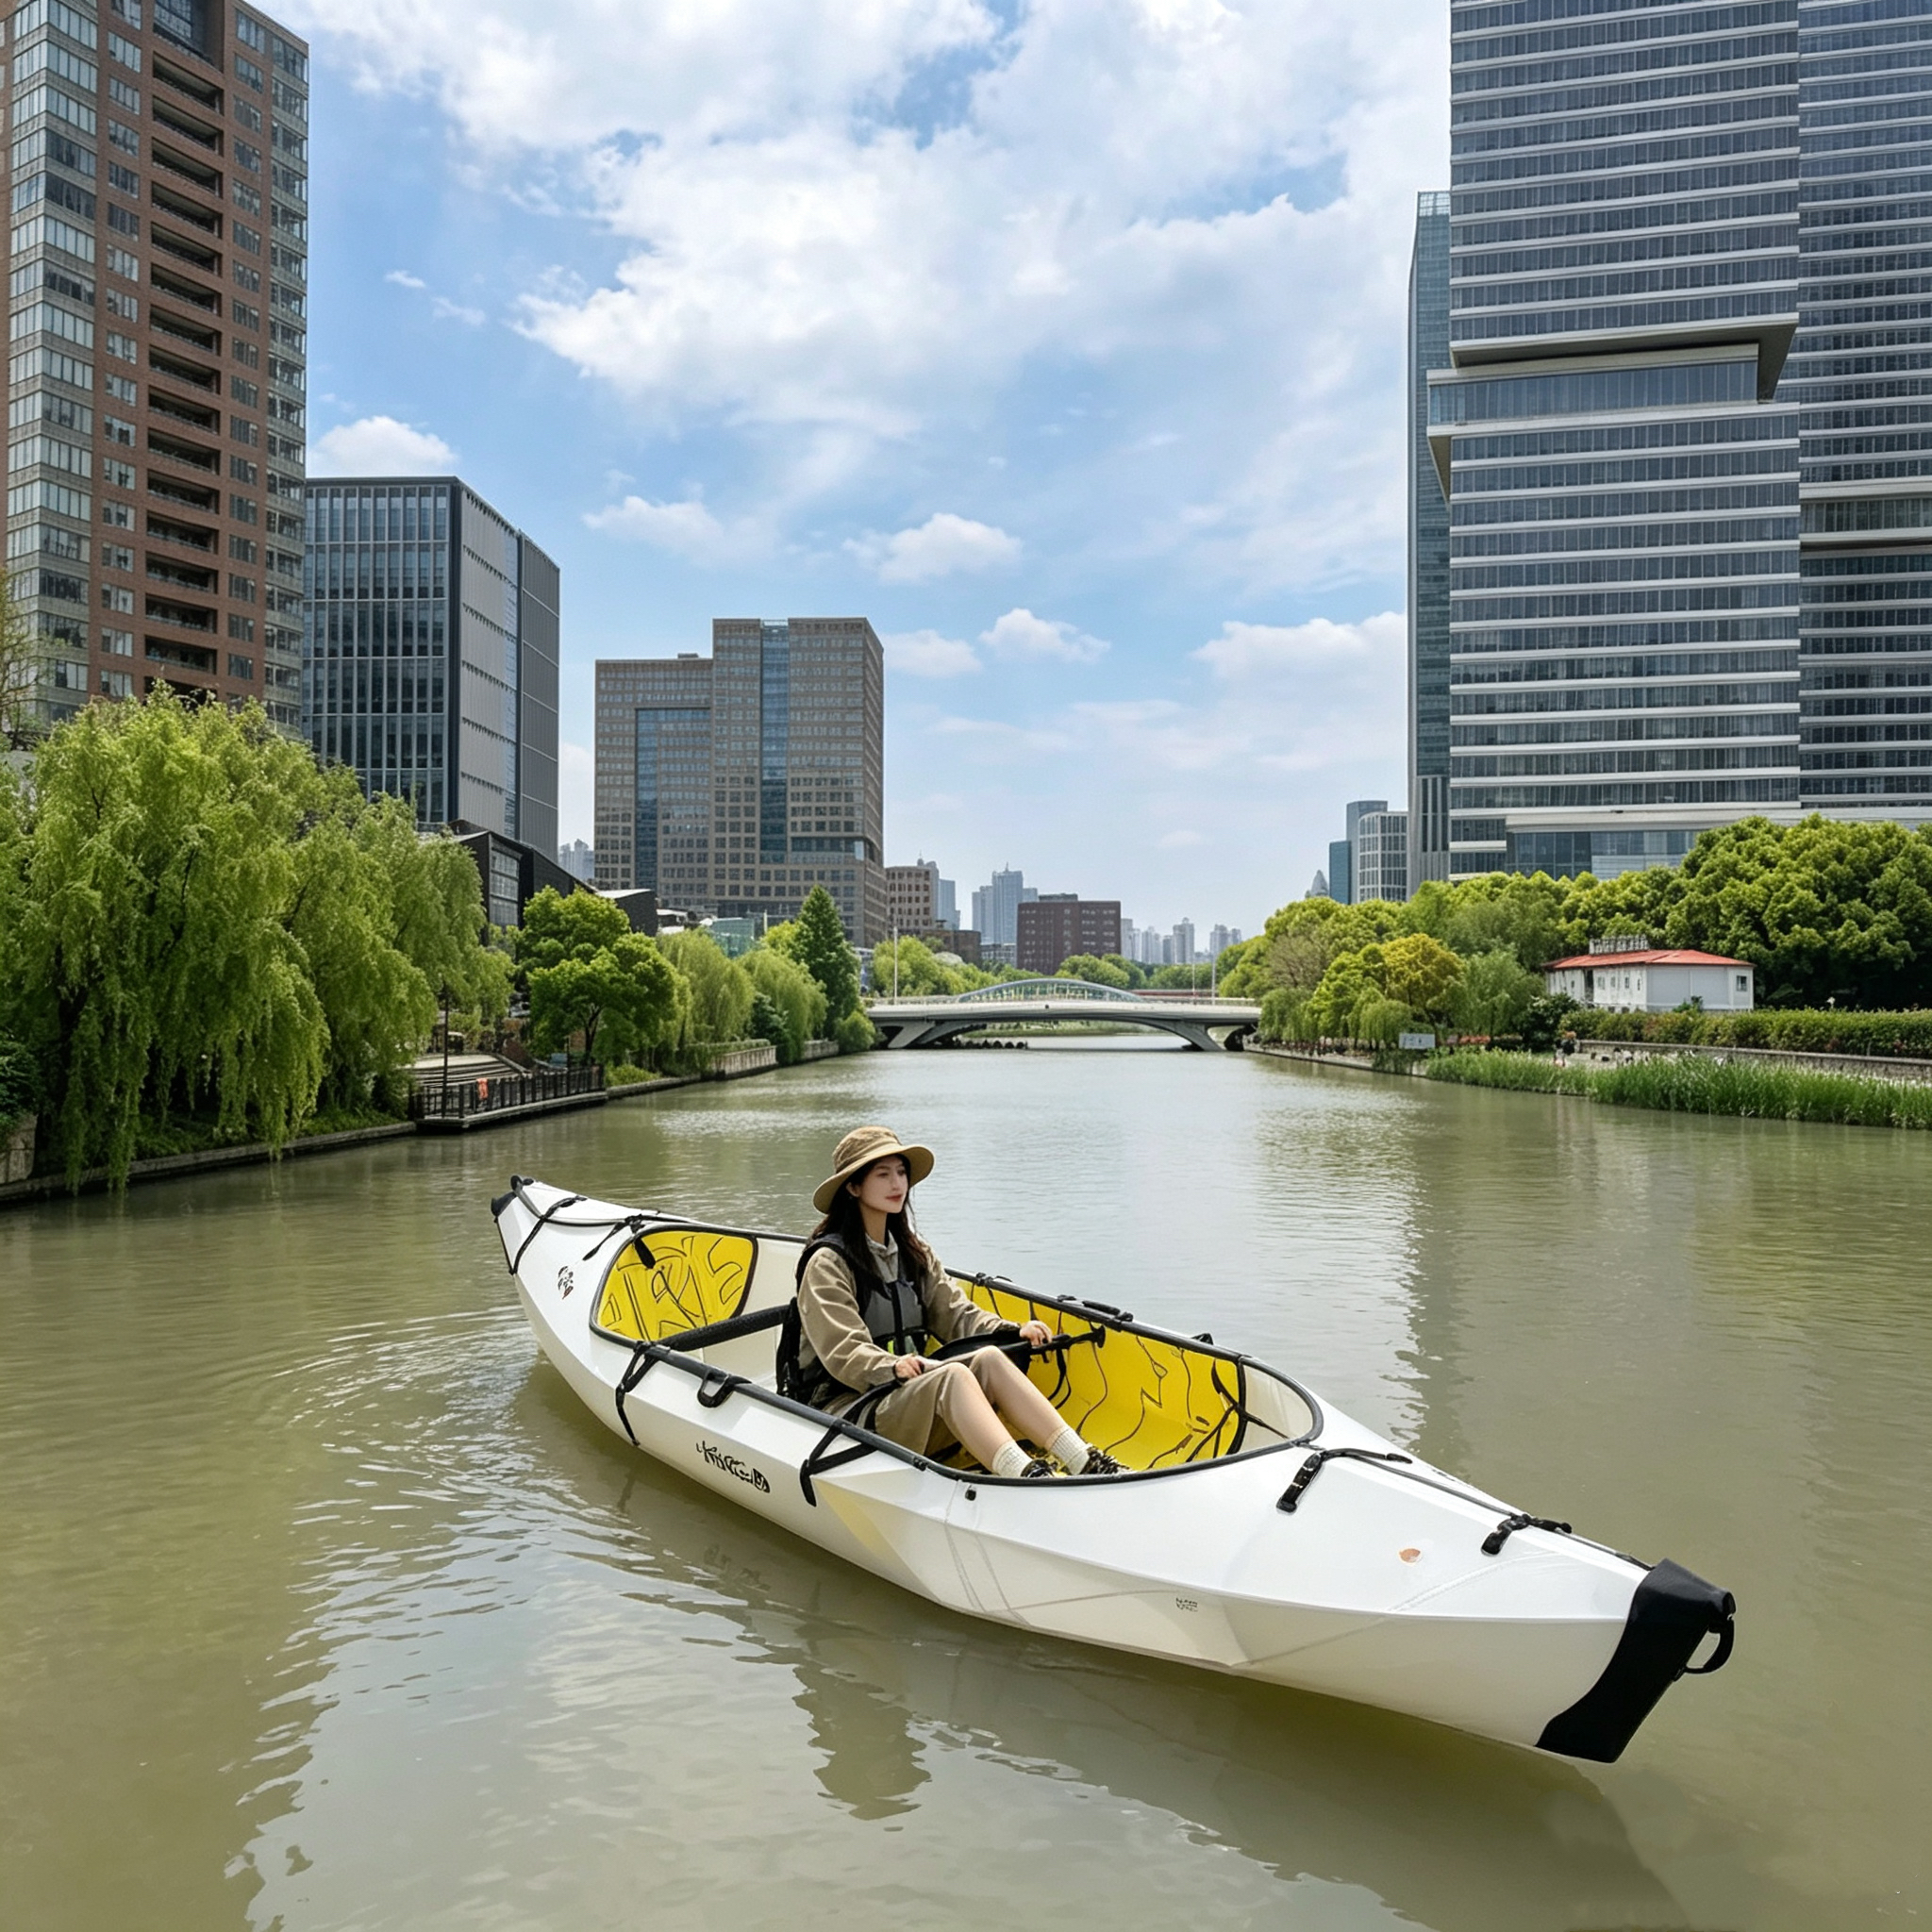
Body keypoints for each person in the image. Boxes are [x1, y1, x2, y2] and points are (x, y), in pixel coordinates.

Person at [792, 1125, 1124, 1479]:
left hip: (903, 1395)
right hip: (848, 1410)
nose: (897, 1184)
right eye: (883, 1174)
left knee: (990, 1359)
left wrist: (1011, 1330)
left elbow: (956, 1313)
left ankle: (1085, 1461)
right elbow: (845, 1352)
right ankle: (1025, 1477)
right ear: (853, 1187)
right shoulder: (827, 1264)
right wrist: (892, 1367)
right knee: (951, 1374)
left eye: (902, 1172)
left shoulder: (913, 1254)